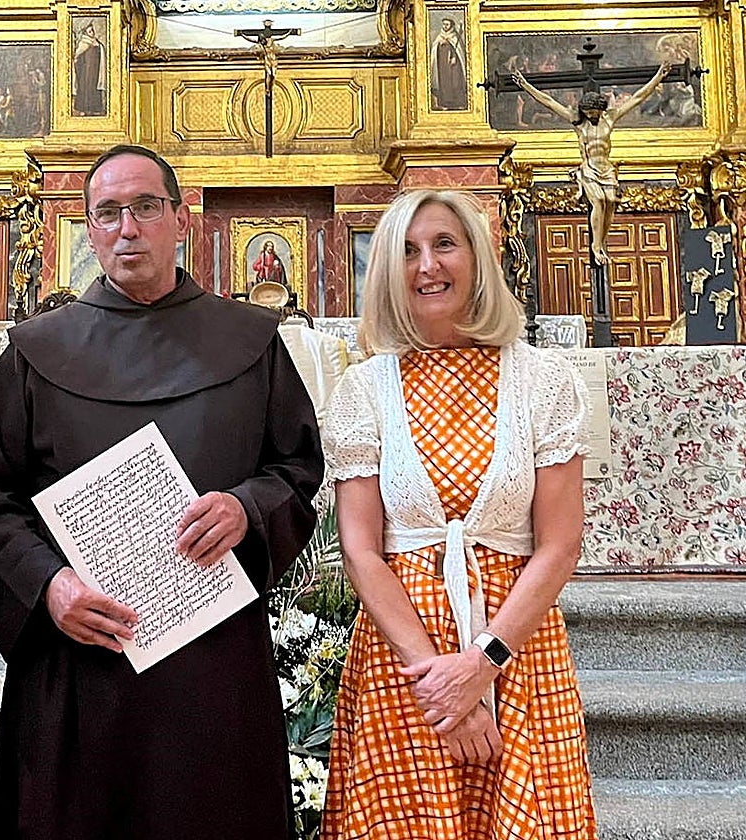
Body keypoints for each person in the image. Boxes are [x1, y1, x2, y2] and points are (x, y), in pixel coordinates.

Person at [0, 143, 324, 840]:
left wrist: (247, 509)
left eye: (146, 208)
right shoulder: (36, 352)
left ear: (181, 220)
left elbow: (298, 468)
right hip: (81, 658)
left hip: (210, 660)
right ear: (89, 229)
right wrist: (49, 587)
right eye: (109, 213)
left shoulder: (249, 342)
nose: (128, 228)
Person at [319, 189, 596, 839]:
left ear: (477, 255)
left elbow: (559, 545)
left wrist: (480, 664)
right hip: (404, 660)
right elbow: (361, 549)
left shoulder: (541, 379)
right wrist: (437, 683)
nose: (427, 266)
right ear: (387, 269)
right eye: (408, 251)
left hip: (516, 651)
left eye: (444, 244)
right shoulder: (366, 388)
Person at [513, 64, 669, 265]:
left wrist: (658, 77)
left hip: (606, 168)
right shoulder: (577, 121)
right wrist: (526, 86)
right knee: (598, 201)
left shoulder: (609, 118)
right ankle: (595, 246)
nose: (592, 116)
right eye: (588, 112)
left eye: (595, 112)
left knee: (610, 201)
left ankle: (602, 241)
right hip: (589, 168)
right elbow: (549, 102)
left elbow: (638, 97)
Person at [430, 17, 467, 110]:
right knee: (444, 83)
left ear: (451, 25)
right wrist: (439, 44)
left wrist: (455, 57)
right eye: (444, 24)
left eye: (447, 24)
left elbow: (459, 51)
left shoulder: (455, 36)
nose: (445, 26)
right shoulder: (440, 36)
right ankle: (444, 104)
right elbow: (434, 49)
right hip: (443, 66)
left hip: (454, 66)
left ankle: (458, 103)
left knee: (456, 82)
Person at [73, 23, 107, 116]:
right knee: (85, 89)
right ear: (86, 33)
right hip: (85, 72)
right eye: (90, 31)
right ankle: (83, 109)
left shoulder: (97, 43)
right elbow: (76, 57)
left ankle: (94, 108)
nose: (92, 33)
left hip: (95, 71)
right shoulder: (83, 43)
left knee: (94, 88)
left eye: (92, 31)